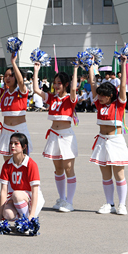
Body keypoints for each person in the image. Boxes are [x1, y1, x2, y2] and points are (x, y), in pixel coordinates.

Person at [32, 62, 79, 213]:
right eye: (55, 83)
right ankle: (62, 198)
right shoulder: (52, 98)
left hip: (66, 136)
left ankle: (70, 202)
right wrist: (36, 71)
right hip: (53, 135)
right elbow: (36, 89)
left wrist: (75, 69)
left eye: (59, 83)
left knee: (69, 168)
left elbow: (73, 89)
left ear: (66, 84)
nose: (56, 85)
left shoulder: (70, 98)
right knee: (58, 169)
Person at [90, 54, 128, 215]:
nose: (99, 97)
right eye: (98, 95)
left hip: (116, 141)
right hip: (102, 141)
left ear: (110, 95)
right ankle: (109, 203)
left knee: (119, 174)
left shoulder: (119, 104)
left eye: (102, 95)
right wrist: (91, 65)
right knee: (105, 175)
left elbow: (123, 86)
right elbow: (93, 84)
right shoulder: (99, 104)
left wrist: (123, 65)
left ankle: (122, 204)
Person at [0, 51, 29, 161]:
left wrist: (13, 62)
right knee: (8, 162)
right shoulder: (3, 92)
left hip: (20, 130)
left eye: (11, 76)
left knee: (21, 162)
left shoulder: (21, 91)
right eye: (6, 76)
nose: (7, 78)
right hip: (6, 130)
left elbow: (21, 81)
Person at [0, 133, 44, 221]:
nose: (12, 146)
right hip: (15, 197)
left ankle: (28, 221)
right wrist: (0, 215)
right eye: (11, 143)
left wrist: (32, 214)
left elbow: (35, 191)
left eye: (16, 143)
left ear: (24, 146)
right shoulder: (7, 164)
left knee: (17, 194)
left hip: (31, 197)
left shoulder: (31, 164)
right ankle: (20, 220)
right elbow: (3, 190)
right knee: (7, 213)